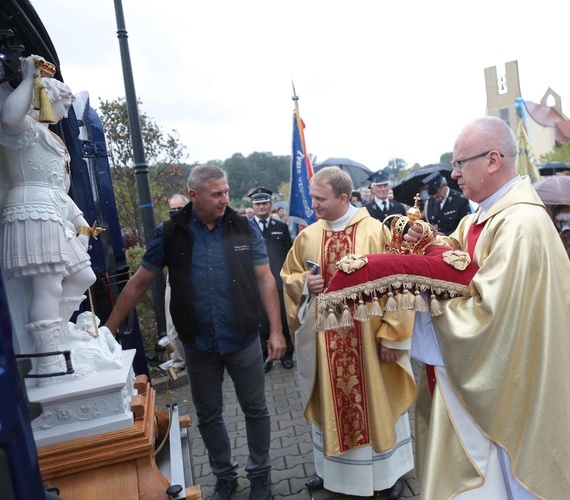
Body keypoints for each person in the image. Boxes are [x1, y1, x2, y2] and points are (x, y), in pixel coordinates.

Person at [405, 117, 570, 498]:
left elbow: (491, 316)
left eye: (460, 163)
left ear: (492, 160)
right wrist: (428, 241)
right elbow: (456, 255)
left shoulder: (521, 222)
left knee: (514, 473)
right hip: (510, 370)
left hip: (520, 377)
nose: (453, 175)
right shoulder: (484, 214)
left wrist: (430, 297)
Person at [102, 165, 286, 500]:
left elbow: (265, 279)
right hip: (199, 345)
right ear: (193, 195)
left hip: (243, 338)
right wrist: (107, 330)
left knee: (256, 410)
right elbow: (140, 282)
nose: (225, 199)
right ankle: (225, 477)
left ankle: (260, 475)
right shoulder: (171, 232)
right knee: (209, 415)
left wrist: (276, 331)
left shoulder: (242, 226)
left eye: (226, 191)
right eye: (216, 194)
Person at [281, 167, 415, 499]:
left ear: (343, 198)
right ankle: (332, 474)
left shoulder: (376, 232)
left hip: (370, 342)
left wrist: (394, 334)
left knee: (377, 403)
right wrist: (304, 285)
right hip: (327, 347)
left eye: (319, 198)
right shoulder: (308, 236)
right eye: (312, 196)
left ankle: (389, 473)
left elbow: (400, 283)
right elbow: (289, 275)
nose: (313, 204)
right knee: (330, 407)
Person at [0, 55, 97, 380]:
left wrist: (81, 222)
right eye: (63, 105)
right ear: (45, 98)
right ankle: (49, 361)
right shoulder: (24, 129)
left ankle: (60, 333)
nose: (66, 113)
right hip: (32, 212)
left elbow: (60, 191)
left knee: (83, 275)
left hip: (50, 213)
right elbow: (11, 116)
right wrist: (30, 78)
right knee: (47, 288)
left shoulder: (49, 138)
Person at [248, 187, 294, 372]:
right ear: (253, 206)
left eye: (265, 203)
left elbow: (288, 254)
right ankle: (266, 357)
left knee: (282, 318)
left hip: (279, 283)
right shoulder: (246, 228)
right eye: (258, 204)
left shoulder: (280, 227)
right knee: (262, 323)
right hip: (257, 284)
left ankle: (287, 354)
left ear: (270, 205)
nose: (261, 206)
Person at [163, 193, 189, 372]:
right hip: (173, 283)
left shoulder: (197, 228)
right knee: (172, 325)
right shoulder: (166, 230)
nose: (176, 212)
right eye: (173, 209)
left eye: (180, 209)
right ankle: (178, 361)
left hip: (194, 283)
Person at [422, 171, 471, 236]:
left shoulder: (460, 200)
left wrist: (446, 235)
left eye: (437, 192)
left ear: (444, 184)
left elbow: (466, 227)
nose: (435, 196)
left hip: (454, 243)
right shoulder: (429, 203)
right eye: (432, 194)